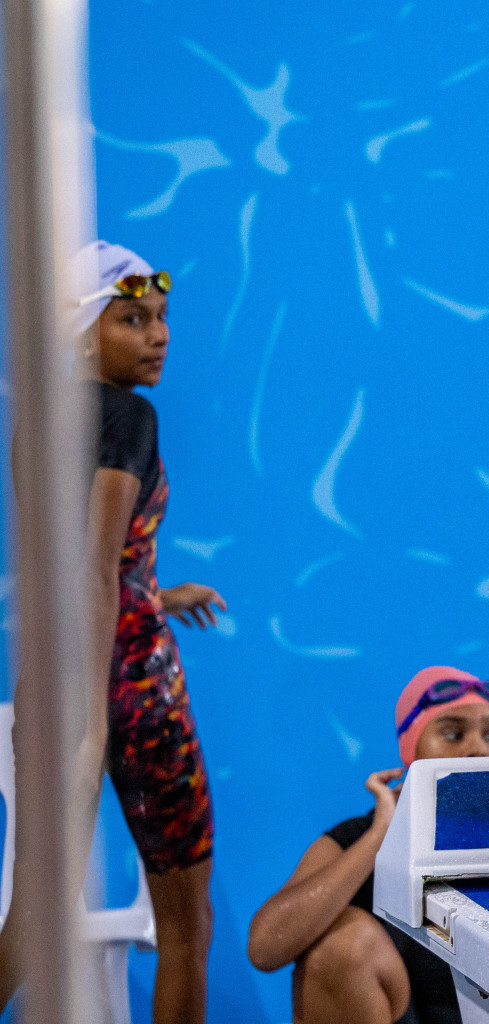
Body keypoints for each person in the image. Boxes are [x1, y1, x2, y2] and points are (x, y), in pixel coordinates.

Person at [0, 241, 227, 1023]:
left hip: (51, 686)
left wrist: (155, 593)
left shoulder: (40, 425)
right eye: (132, 319)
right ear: (79, 332)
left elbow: (77, 572)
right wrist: (95, 722)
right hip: (132, 697)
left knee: (31, 918)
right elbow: (97, 570)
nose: (158, 334)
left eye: (161, 317)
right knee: (186, 929)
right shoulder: (131, 415)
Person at [248, 666, 489, 1024]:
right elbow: (266, 947)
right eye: (452, 733)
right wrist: (379, 838)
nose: (476, 749)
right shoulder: (360, 836)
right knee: (340, 946)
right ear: (410, 747)